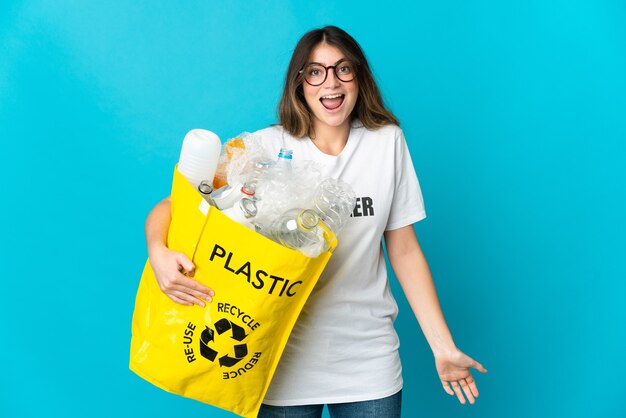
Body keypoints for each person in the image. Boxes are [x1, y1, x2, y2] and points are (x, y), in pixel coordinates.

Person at [145, 25, 487, 418]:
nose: (331, 83)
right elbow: (173, 205)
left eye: (343, 69)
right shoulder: (265, 149)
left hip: (368, 360)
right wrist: (158, 250)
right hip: (279, 358)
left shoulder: (386, 142)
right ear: (300, 83)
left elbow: (405, 249)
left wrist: (442, 346)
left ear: (359, 77)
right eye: (315, 72)